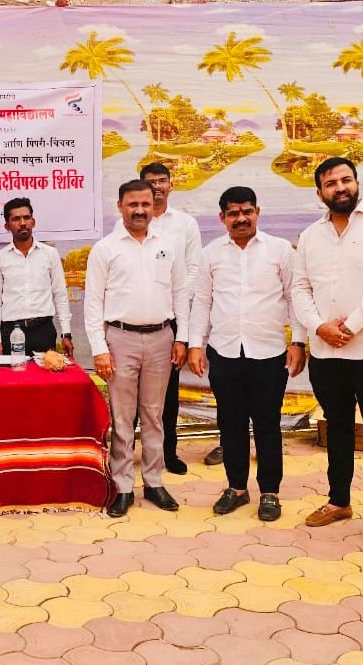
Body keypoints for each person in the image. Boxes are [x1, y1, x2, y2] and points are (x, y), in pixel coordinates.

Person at [292, 157, 363, 544]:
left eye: (346, 180)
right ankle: (338, 501)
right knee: (337, 426)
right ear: (319, 192)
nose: (340, 188)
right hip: (326, 353)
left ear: (357, 183)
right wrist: (319, 327)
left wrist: (350, 326)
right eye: (331, 183)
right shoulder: (311, 236)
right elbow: (300, 288)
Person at [187, 187, 306, 521]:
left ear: (257, 212)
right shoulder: (210, 254)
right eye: (233, 213)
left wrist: (298, 342)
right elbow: (202, 301)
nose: (241, 218)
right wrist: (195, 344)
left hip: (268, 352)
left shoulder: (280, 251)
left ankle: (270, 492)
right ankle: (236, 488)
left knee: (268, 424)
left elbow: (294, 297)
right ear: (222, 217)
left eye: (247, 211)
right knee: (231, 424)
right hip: (224, 352)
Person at [86, 179, 189, 518]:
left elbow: (180, 292)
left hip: (161, 338)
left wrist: (181, 338)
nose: (140, 210)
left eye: (146, 204)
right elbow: (92, 303)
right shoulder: (105, 249)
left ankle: (154, 482)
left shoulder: (168, 244)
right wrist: (99, 349)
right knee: (122, 416)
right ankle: (123, 486)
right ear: (120, 206)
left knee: (154, 415)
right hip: (120, 339)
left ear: (153, 205)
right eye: (133, 204)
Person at [114, 163, 204, 473]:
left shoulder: (185, 224)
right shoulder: (122, 227)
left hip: (171, 318)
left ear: (170, 185)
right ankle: (128, 455)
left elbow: (193, 268)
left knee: (167, 392)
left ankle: (168, 453)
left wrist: (174, 302)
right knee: (129, 397)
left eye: (162, 181)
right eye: (150, 182)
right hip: (133, 322)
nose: (157, 187)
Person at [0, 197, 74, 358]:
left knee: (45, 374)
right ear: (7, 226)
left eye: (26, 218)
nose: (22, 223)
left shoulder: (49, 254)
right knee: (15, 374)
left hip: (43, 331)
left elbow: (60, 295)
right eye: (16, 219)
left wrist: (66, 333)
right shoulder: (0, 258)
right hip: (11, 332)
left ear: (33, 222)